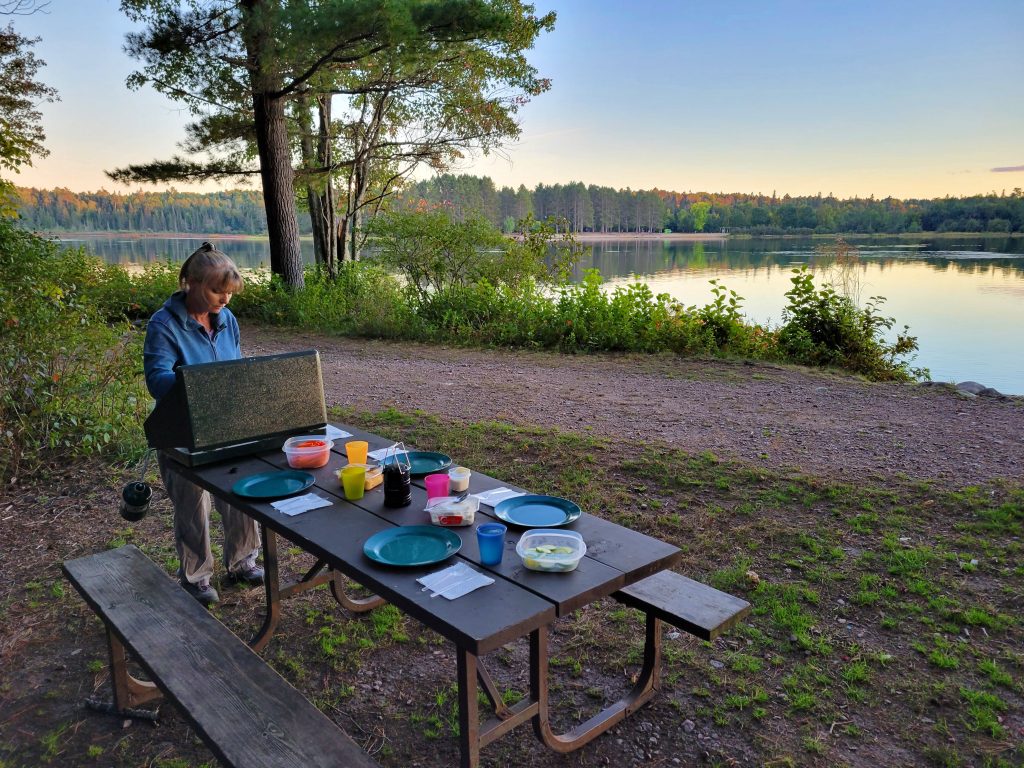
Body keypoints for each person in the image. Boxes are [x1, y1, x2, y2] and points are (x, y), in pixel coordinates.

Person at [143, 242, 263, 606]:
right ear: (190, 283)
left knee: (240, 490)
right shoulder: (164, 324)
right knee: (192, 502)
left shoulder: (228, 320)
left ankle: (243, 562)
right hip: (180, 428)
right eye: (217, 291)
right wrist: (196, 382)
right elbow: (156, 380)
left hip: (225, 423)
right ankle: (196, 577)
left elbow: (235, 365)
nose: (224, 299)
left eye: (229, 293)